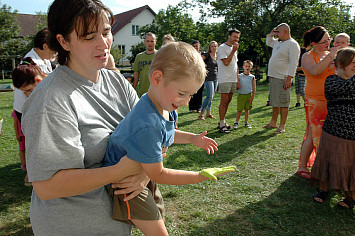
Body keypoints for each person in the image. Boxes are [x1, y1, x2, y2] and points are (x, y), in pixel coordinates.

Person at [21, 0, 152, 234]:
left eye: (106, 32)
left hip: (117, 226)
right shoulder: (50, 100)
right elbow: (46, 187)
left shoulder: (117, 82)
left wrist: (144, 171)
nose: (104, 44)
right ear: (63, 42)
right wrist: (121, 171)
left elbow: (151, 131)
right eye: (89, 37)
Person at [104, 41, 235, 235]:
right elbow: (160, 174)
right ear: (157, 78)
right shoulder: (147, 124)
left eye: (191, 95)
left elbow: (168, 133)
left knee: (160, 218)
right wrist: (199, 176)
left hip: (143, 171)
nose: (185, 102)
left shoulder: (165, 106)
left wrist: (192, 139)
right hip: (126, 184)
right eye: (182, 93)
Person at [311, 47, 355, 208]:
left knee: (351, 164)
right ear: (341, 64)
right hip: (333, 130)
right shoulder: (331, 81)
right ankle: (323, 189)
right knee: (327, 162)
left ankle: (351, 197)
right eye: (352, 63)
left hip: (352, 134)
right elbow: (347, 87)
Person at [296, 26, 340, 179]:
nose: (328, 43)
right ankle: (316, 168)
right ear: (314, 43)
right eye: (324, 41)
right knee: (317, 135)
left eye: (329, 39)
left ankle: (307, 166)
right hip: (315, 101)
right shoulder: (308, 56)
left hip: (332, 100)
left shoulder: (331, 54)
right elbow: (314, 71)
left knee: (320, 134)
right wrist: (331, 57)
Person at [262, 23, 300, 134]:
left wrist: (289, 78)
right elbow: (268, 42)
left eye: (278, 32)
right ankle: (273, 122)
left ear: (285, 32)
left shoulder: (292, 44)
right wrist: (271, 34)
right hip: (274, 76)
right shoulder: (278, 42)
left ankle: (282, 126)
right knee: (275, 101)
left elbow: (294, 63)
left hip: (283, 77)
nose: (277, 34)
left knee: (283, 102)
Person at [216, 29, 241, 133]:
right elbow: (226, 62)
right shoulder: (222, 48)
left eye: (237, 37)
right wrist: (233, 51)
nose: (236, 39)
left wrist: (238, 79)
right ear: (229, 36)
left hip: (232, 79)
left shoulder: (233, 48)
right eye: (234, 37)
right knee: (224, 101)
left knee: (228, 101)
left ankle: (222, 121)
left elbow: (236, 64)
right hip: (224, 78)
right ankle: (222, 124)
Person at [232, 60, 256, 129]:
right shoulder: (239, 76)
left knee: (247, 110)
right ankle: (236, 122)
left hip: (248, 95)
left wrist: (252, 98)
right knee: (239, 110)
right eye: (246, 66)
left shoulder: (252, 77)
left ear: (251, 67)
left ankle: (246, 122)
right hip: (241, 95)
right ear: (243, 67)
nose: (247, 68)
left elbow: (254, 89)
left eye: (249, 66)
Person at [133, 32, 157, 97]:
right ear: (144, 42)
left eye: (152, 41)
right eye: (148, 41)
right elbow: (136, 74)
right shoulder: (139, 56)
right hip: (143, 91)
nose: (150, 43)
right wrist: (133, 89)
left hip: (157, 91)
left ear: (155, 42)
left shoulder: (159, 55)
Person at [198, 41, 218, 120]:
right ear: (210, 47)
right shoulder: (207, 55)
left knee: (212, 96)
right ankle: (201, 113)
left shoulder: (217, 56)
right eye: (212, 46)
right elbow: (198, 60)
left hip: (215, 78)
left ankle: (208, 113)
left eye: (215, 46)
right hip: (208, 78)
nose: (214, 48)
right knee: (209, 96)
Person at [189, 40, 204, 113]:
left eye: (196, 46)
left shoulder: (203, 55)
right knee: (192, 92)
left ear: (199, 46)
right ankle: (192, 107)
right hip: (192, 75)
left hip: (201, 75)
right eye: (194, 46)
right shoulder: (190, 55)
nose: (195, 47)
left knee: (200, 92)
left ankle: (198, 107)